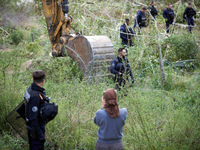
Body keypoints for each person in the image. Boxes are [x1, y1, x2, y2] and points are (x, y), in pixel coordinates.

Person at [24, 70, 50, 150]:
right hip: (35, 128)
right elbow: (33, 118)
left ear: (33, 79)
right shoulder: (35, 96)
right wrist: (40, 134)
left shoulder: (31, 89)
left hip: (34, 127)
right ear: (43, 80)